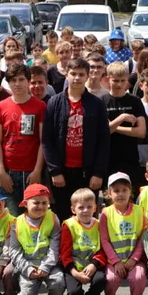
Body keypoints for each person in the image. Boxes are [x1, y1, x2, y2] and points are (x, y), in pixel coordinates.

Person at [43, 58, 110, 217]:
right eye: (73, 74)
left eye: (81, 74)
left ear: (87, 76)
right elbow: (47, 139)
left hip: (88, 172)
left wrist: (98, 173)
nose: (77, 78)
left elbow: (104, 141)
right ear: (66, 74)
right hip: (62, 171)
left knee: (87, 215)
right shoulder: (54, 102)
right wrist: (55, 171)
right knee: (64, 214)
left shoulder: (97, 104)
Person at [8, 183, 64, 295]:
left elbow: (55, 245)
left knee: (58, 282)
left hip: (49, 264)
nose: (40, 206)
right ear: (25, 204)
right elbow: (14, 250)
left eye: (44, 203)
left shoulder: (53, 218)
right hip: (28, 265)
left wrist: (46, 266)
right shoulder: (16, 223)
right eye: (36, 202)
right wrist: (27, 269)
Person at [0, 63, 47, 215]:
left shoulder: (40, 106)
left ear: (28, 81)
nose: (17, 84)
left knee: (34, 214)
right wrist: (1, 172)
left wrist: (37, 170)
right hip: (8, 172)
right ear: (8, 83)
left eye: (21, 79)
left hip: (32, 171)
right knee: (11, 216)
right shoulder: (0, 107)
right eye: (13, 80)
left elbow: (43, 141)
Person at [100, 173, 147, 295]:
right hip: (114, 261)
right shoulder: (105, 213)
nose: (121, 194)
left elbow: (143, 237)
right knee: (111, 279)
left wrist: (134, 258)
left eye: (124, 190)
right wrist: (116, 261)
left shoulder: (139, 211)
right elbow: (104, 240)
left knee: (139, 278)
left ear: (130, 191)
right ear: (109, 193)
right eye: (116, 191)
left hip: (135, 259)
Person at [59, 187, 106, 295]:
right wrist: (75, 273)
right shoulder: (68, 225)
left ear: (95, 208)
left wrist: (94, 265)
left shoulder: (99, 224)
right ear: (73, 209)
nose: (85, 210)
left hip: (92, 265)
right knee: (74, 292)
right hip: (73, 267)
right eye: (81, 207)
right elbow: (64, 253)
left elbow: (103, 249)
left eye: (89, 207)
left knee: (101, 280)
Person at [101, 62, 147, 185]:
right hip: (108, 158)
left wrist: (114, 127)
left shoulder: (135, 101)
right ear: (108, 79)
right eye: (115, 81)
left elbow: (141, 132)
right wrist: (122, 118)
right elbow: (103, 132)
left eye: (123, 81)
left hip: (130, 158)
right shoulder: (102, 102)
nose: (119, 84)